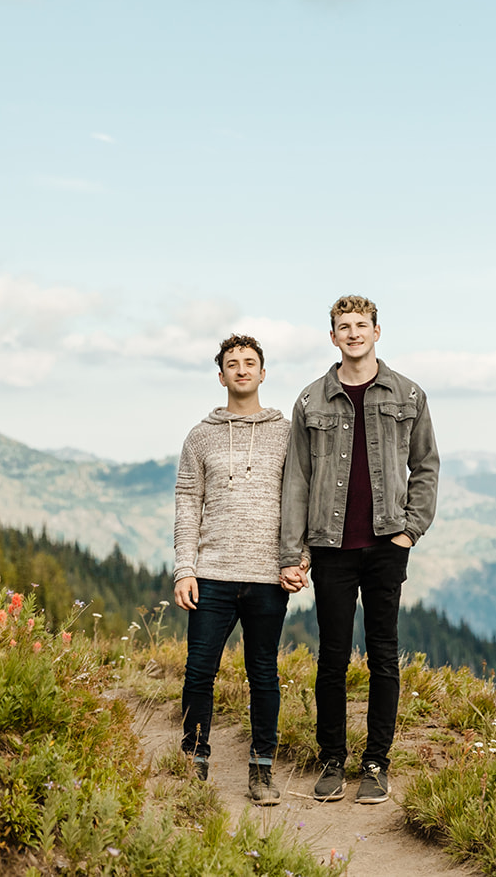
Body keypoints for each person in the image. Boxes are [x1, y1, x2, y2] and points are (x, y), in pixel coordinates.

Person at [279, 295, 439, 804]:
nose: (353, 333)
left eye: (361, 325)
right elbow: (297, 481)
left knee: (384, 656)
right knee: (331, 657)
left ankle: (376, 763)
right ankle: (332, 761)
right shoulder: (310, 401)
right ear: (332, 337)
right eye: (343, 327)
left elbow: (427, 466)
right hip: (331, 549)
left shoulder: (408, 395)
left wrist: (410, 531)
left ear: (376, 332)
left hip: (387, 544)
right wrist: (293, 550)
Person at [174, 333, 292, 805]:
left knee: (263, 673)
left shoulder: (287, 434)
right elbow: (187, 502)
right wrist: (185, 569)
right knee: (199, 670)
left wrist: (298, 559)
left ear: (263, 373)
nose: (241, 370)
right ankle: (193, 761)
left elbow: (298, 501)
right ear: (220, 375)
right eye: (232, 363)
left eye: (250, 363)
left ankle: (262, 771)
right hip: (212, 575)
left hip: (268, 576)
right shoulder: (200, 436)